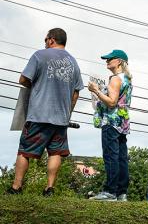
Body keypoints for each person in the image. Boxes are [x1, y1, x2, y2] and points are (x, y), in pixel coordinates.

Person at [7, 28, 83, 196]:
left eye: (45, 39)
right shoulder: (74, 62)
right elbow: (76, 93)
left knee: (25, 151)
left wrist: (37, 86)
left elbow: (23, 79)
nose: (45, 42)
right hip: (61, 119)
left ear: (51, 40)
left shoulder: (40, 55)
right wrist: (67, 113)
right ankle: (49, 189)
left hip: (39, 115)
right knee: (55, 152)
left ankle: (16, 187)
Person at [88, 49, 133, 201]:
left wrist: (96, 91)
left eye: (110, 59)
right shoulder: (127, 79)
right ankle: (121, 192)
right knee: (121, 157)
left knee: (110, 156)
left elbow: (112, 102)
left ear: (119, 61)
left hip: (111, 121)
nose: (107, 61)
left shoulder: (115, 79)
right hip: (122, 122)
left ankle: (110, 191)